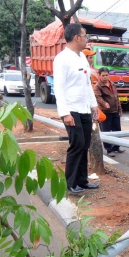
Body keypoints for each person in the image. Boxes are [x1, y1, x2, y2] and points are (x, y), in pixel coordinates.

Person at [53, 23, 99, 194]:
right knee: (77, 144)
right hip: (71, 109)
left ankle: (82, 180)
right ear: (76, 38)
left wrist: (94, 104)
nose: (86, 39)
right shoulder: (62, 59)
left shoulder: (81, 58)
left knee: (85, 144)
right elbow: (59, 87)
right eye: (85, 36)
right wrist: (65, 113)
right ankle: (71, 183)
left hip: (85, 108)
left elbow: (87, 84)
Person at [94, 67, 124, 157]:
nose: (105, 77)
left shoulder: (112, 84)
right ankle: (109, 149)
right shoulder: (98, 86)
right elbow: (98, 98)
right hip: (105, 112)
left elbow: (116, 97)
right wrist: (104, 104)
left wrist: (120, 109)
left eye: (106, 75)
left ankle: (116, 147)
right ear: (99, 76)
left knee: (117, 130)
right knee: (106, 132)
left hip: (115, 111)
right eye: (103, 75)